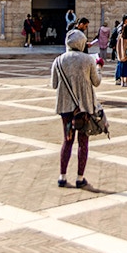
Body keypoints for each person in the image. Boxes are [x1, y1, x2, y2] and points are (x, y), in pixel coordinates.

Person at [51, 28, 101, 189]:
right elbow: (96, 82)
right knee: (83, 142)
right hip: (84, 108)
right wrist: (98, 68)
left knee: (67, 140)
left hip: (65, 108)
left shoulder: (58, 61)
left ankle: (62, 176)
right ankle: (80, 177)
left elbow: (53, 85)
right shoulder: (88, 60)